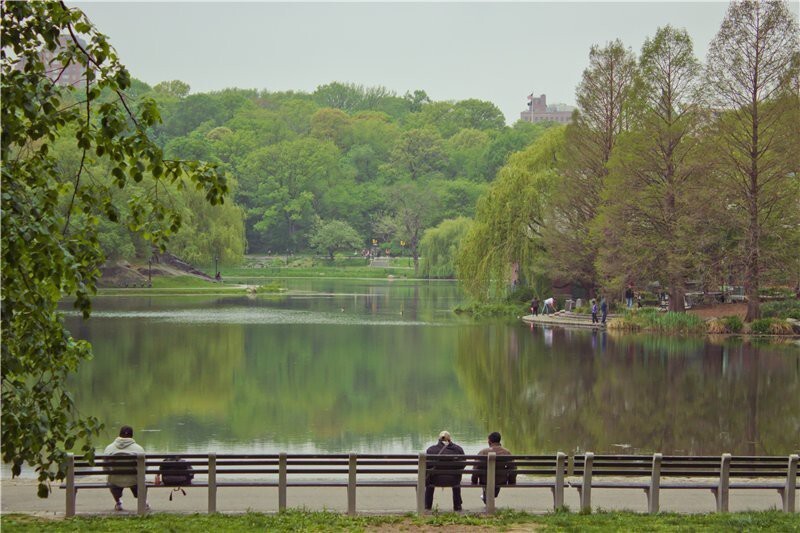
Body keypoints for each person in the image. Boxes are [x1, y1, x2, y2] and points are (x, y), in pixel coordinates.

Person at [104, 425, 149, 512]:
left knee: (112, 479)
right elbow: (144, 469)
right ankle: (143, 503)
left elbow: (105, 468)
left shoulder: (109, 448)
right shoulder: (138, 449)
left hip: (115, 481)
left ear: (119, 434)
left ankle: (118, 503)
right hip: (135, 481)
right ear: (132, 436)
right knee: (140, 479)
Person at [424, 430, 465, 511]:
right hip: (453, 481)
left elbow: (427, 466)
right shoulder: (458, 449)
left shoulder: (431, 450)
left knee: (429, 477)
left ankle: (427, 505)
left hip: (435, 480)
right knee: (457, 476)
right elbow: (463, 465)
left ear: (439, 439)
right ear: (450, 439)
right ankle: (457, 506)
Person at [471, 432, 516, 504]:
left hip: (485, 480)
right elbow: (513, 468)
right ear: (499, 441)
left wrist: (474, 481)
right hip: (501, 480)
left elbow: (475, 468)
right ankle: (491, 495)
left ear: (489, 441)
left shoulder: (483, 452)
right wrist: (511, 481)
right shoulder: (506, 452)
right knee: (497, 478)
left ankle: (487, 497)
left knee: (485, 475)